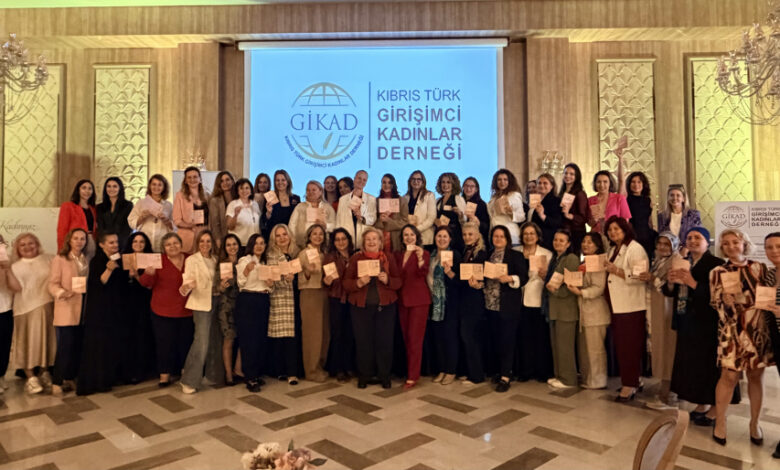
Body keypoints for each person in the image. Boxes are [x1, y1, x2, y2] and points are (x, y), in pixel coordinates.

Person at [710, 229, 773, 446]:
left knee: (756, 376)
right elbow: (715, 304)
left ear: (744, 244)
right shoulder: (718, 271)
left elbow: (768, 298)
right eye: (726, 243)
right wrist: (724, 301)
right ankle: (720, 422)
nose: (731, 246)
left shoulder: (760, 268)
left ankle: (755, 423)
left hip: (757, 330)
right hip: (731, 331)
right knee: (728, 377)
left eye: (735, 242)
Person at [662, 227, 724, 427]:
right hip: (686, 320)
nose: (693, 241)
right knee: (694, 365)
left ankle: (715, 408)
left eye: (698, 237)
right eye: (689, 238)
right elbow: (672, 292)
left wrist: (692, 283)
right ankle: (701, 403)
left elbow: (720, 295)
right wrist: (671, 282)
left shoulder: (716, 264)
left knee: (708, 366)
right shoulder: (685, 262)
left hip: (707, 323)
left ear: (707, 242)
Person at [343, 227, 402, 389]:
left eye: (374, 239)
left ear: (380, 242)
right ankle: (364, 375)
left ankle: (384, 375)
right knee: (363, 342)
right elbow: (346, 283)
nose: (371, 242)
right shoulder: (356, 259)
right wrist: (358, 283)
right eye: (368, 239)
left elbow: (398, 282)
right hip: (361, 308)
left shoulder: (388, 258)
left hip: (385, 307)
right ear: (363, 242)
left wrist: (388, 280)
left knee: (385, 342)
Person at [77, 231, 129, 396]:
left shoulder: (119, 259)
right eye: (111, 242)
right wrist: (109, 269)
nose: (115, 245)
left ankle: (111, 377)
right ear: (101, 244)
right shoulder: (97, 260)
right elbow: (99, 283)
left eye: (116, 242)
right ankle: (97, 381)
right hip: (99, 311)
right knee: (99, 345)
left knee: (112, 344)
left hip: (115, 309)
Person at [603, 216, 649, 401]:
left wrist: (616, 270)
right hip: (618, 305)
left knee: (628, 346)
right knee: (624, 346)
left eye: (616, 229)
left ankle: (629, 385)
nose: (613, 232)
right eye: (610, 230)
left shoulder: (635, 248)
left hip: (631, 306)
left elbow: (640, 276)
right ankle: (634, 380)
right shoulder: (614, 249)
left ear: (625, 229)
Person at [139, 233, 193, 387]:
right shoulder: (158, 261)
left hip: (186, 309)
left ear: (181, 244)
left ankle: (185, 372)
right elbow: (145, 283)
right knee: (164, 344)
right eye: (168, 244)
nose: (172, 246)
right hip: (162, 310)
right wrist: (148, 274)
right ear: (163, 248)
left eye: (175, 243)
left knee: (185, 343)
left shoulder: (190, 259)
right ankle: (164, 375)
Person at [5, 233, 55, 394]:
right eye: (23, 244)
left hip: (48, 306)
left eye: (31, 243)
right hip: (25, 309)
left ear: (37, 244)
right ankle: (31, 377)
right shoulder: (14, 266)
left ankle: (44, 372)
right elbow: (16, 288)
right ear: (17, 248)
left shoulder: (50, 259)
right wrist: (7, 270)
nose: (28, 247)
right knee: (27, 343)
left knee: (47, 342)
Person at [484, 225, 528, 392]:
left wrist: (510, 278)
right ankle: (498, 371)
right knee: (495, 340)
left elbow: (523, 277)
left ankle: (506, 376)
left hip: (508, 305)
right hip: (490, 304)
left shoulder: (515, 255)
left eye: (501, 236)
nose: (498, 239)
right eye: (495, 236)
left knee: (507, 341)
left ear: (507, 239)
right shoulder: (488, 255)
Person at [640, 232, 679, 409]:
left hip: (667, 311)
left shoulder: (675, 261)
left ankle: (667, 395)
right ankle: (664, 390)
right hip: (656, 310)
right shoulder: (659, 260)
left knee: (668, 350)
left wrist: (653, 278)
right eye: (660, 243)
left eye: (666, 244)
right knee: (660, 349)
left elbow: (671, 288)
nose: (662, 247)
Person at [48, 228, 88, 395]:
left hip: (82, 308)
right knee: (65, 346)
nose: (79, 241)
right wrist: (62, 293)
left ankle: (70, 377)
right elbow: (52, 283)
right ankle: (57, 381)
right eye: (76, 238)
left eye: (82, 239)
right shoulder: (60, 259)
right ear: (69, 240)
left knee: (76, 346)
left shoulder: (85, 259)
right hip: (66, 306)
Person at [568, 232, 610, 389]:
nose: (585, 245)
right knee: (586, 348)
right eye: (584, 241)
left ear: (597, 246)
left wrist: (581, 292)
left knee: (595, 349)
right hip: (584, 310)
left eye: (590, 242)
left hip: (596, 311)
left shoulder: (598, 262)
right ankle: (588, 378)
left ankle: (598, 380)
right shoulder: (584, 262)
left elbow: (599, 287)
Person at [180, 230, 219, 394]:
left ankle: (210, 374)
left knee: (213, 341)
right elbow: (186, 282)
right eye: (202, 241)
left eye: (208, 241)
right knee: (201, 343)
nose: (205, 244)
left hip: (216, 301)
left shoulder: (216, 259)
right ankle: (189, 380)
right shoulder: (192, 260)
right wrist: (186, 287)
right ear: (197, 243)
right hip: (200, 304)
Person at [515, 222, 554, 383]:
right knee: (523, 337)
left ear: (537, 236)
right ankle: (525, 370)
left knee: (539, 337)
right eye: (526, 234)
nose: (529, 236)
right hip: (519, 299)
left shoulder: (546, 254)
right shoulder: (516, 252)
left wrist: (546, 276)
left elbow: (552, 279)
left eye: (532, 233)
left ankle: (541, 370)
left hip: (537, 298)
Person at [235, 233, 273, 392]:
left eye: (262, 243)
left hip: (263, 300)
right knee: (248, 340)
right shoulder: (244, 260)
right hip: (248, 300)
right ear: (251, 245)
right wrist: (246, 271)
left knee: (260, 339)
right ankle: (249, 377)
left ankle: (256, 373)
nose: (259, 246)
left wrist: (270, 284)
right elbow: (240, 283)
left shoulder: (265, 263)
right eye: (256, 243)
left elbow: (270, 287)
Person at [394, 224, 430, 389]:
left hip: (418, 301)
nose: (409, 238)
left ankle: (413, 376)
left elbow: (422, 273)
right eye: (406, 235)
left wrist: (421, 259)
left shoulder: (424, 253)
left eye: (412, 235)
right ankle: (408, 370)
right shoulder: (397, 255)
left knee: (415, 339)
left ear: (417, 237)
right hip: (402, 300)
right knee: (406, 338)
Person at [544, 230, 580, 389]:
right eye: (555, 239)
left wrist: (556, 292)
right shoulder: (555, 258)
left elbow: (571, 284)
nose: (557, 242)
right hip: (554, 308)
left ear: (568, 244)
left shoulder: (571, 259)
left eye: (561, 240)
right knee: (556, 344)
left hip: (566, 309)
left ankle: (568, 379)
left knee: (565, 346)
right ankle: (559, 375)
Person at [266, 224, 300, 384]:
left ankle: (293, 370)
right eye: (278, 236)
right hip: (280, 299)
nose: (282, 238)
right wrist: (285, 280)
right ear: (274, 239)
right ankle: (284, 371)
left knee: (294, 336)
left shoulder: (296, 253)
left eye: (284, 234)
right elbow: (271, 279)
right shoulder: (271, 256)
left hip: (297, 297)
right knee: (282, 337)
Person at [429, 226, 462, 386]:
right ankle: (442, 369)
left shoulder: (455, 255)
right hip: (434, 303)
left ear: (450, 239)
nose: (441, 239)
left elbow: (460, 281)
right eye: (439, 236)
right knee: (438, 337)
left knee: (450, 337)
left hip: (449, 302)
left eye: (445, 236)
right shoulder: (431, 255)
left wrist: (449, 273)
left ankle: (451, 371)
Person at [122, 232, 156, 383]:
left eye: (142, 241)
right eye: (135, 241)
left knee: (144, 335)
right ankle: (129, 371)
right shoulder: (124, 259)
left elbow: (150, 286)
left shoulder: (151, 260)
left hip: (145, 302)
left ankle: (143, 371)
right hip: (128, 303)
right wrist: (129, 276)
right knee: (129, 336)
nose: (138, 244)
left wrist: (137, 276)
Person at [297, 224, 330, 383]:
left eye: (320, 234)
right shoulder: (303, 254)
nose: (318, 236)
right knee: (312, 333)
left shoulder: (324, 254)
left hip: (324, 292)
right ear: (309, 236)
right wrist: (308, 272)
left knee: (324, 332)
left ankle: (319, 366)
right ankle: (311, 370)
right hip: (309, 293)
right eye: (314, 234)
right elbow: (299, 278)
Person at [323, 228, 355, 382]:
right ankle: (338, 368)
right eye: (337, 239)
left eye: (343, 239)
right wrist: (327, 281)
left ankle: (349, 366)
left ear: (348, 240)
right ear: (333, 242)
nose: (341, 242)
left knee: (350, 333)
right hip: (337, 298)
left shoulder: (355, 256)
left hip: (352, 298)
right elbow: (326, 280)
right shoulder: (330, 258)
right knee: (338, 334)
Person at [759, 232, 780, 459]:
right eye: (769, 247)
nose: (773, 251)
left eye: (778, 246)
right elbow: (765, 308)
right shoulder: (771, 274)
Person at [459, 222, 488, 384]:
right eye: (464, 234)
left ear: (477, 235)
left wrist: (480, 284)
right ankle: (470, 371)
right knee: (466, 336)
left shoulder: (482, 253)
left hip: (475, 300)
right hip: (465, 298)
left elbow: (486, 277)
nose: (467, 237)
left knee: (472, 337)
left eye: (470, 234)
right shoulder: (466, 250)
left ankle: (477, 375)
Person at [216, 234, 243, 386]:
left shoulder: (244, 262)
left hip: (243, 305)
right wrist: (221, 286)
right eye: (228, 245)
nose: (232, 247)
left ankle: (238, 369)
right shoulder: (221, 264)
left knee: (244, 338)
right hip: (226, 306)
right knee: (229, 340)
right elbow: (216, 287)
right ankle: (228, 374)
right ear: (224, 248)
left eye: (234, 244)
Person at [127, 174, 174, 252]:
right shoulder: (141, 203)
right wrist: (142, 217)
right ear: (149, 186)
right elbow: (131, 221)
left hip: (162, 239)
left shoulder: (168, 205)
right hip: (145, 239)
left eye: (159, 185)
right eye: (154, 184)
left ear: (164, 187)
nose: (156, 187)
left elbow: (174, 226)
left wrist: (166, 220)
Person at [288, 180, 336, 249]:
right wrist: (294, 243)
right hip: (301, 246)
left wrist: (326, 226)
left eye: (314, 190)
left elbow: (335, 225)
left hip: (323, 247)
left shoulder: (328, 207)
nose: (310, 192)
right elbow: (292, 226)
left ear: (320, 191)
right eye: (308, 190)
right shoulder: (300, 207)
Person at [173, 166, 210, 253]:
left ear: (200, 179)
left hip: (204, 236)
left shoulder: (207, 194)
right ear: (185, 180)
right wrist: (190, 225)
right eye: (189, 177)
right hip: (187, 236)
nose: (192, 180)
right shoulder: (180, 196)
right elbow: (177, 220)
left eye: (195, 177)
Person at [336, 170, 377, 247]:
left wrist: (362, 218)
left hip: (363, 237)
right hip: (346, 238)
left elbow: (373, 219)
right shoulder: (342, 199)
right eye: (359, 178)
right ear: (354, 179)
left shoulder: (371, 199)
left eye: (364, 180)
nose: (361, 181)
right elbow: (339, 221)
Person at [57, 179, 97, 255]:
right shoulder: (68, 206)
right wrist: (62, 248)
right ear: (78, 190)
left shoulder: (93, 209)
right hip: (75, 242)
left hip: (90, 241)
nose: (87, 191)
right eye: (84, 188)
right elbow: (62, 229)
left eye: (90, 188)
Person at [487, 169, 526, 246]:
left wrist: (511, 213)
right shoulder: (493, 198)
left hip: (510, 235)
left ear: (510, 181)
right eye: (499, 180)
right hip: (495, 234)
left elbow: (521, 217)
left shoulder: (514, 195)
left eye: (505, 179)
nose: (502, 182)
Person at [374, 174, 409, 255]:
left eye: (389, 183)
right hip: (380, 238)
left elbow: (405, 222)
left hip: (396, 239)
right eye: (384, 182)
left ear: (393, 185)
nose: (386, 185)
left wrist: (389, 221)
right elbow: (373, 222)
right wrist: (380, 220)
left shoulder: (401, 200)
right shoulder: (376, 201)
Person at [558, 163, 589, 254]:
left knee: (573, 258)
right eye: (566, 173)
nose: (568, 176)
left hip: (575, 233)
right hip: (563, 231)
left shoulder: (580, 193)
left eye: (571, 174)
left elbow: (583, 218)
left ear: (577, 176)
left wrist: (569, 215)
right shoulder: (562, 192)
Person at [262, 170, 301, 241]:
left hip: (290, 237)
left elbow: (298, 220)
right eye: (277, 180)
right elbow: (264, 221)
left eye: (283, 180)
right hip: (274, 236)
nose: (280, 183)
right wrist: (268, 213)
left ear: (288, 182)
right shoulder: (270, 197)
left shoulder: (296, 198)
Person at [625, 171, 656, 259]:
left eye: (639, 182)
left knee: (647, 262)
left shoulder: (647, 200)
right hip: (633, 236)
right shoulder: (626, 200)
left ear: (643, 184)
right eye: (633, 182)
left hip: (647, 236)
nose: (636, 184)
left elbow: (649, 220)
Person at [402, 170, 436, 249]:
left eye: (418, 179)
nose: (416, 181)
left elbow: (431, 218)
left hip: (425, 237)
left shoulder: (429, 195)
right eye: (413, 179)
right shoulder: (405, 197)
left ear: (423, 182)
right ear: (410, 181)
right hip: (409, 238)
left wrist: (416, 230)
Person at [96, 177, 134, 247]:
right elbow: (100, 227)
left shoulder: (128, 205)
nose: (111, 189)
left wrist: (116, 241)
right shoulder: (99, 207)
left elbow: (127, 227)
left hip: (122, 243)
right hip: (105, 244)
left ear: (120, 188)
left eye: (115, 186)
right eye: (109, 186)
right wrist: (106, 242)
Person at [530, 173, 563, 252]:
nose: (542, 185)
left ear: (552, 186)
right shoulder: (535, 199)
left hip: (548, 239)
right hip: (535, 238)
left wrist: (542, 215)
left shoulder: (556, 201)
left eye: (545, 183)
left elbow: (557, 222)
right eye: (539, 183)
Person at [435, 172, 467, 253]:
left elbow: (465, 220)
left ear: (454, 184)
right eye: (443, 182)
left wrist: (460, 214)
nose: (445, 185)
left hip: (455, 237)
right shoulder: (438, 201)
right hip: (441, 237)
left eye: (448, 182)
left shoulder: (458, 199)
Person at [226, 178, 262, 246]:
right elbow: (230, 226)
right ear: (237, 191)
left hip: (255, 244)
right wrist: (236, 215)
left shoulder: (255, 204)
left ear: (251, 190)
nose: (244, 191)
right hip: (240, 243)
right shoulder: (233, 204)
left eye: (247, 188)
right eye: (241, 188)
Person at [208, 170, 236, 246]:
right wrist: (218, 240)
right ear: (218, 184)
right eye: (222, 181)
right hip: (223, 237)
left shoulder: (238, 198)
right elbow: (215, 223)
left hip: (238, 236)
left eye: (227, 180)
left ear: (232, 181)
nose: (225, 183)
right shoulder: (215, 201)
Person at [462, 177, 490, 247]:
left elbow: (486, 226)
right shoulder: (459, 202)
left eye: (472, 186)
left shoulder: (481, 204)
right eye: (466, 186)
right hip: (461, 239)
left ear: (476, 189)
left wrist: (478, 222)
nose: (468, 189)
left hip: (476, 242)